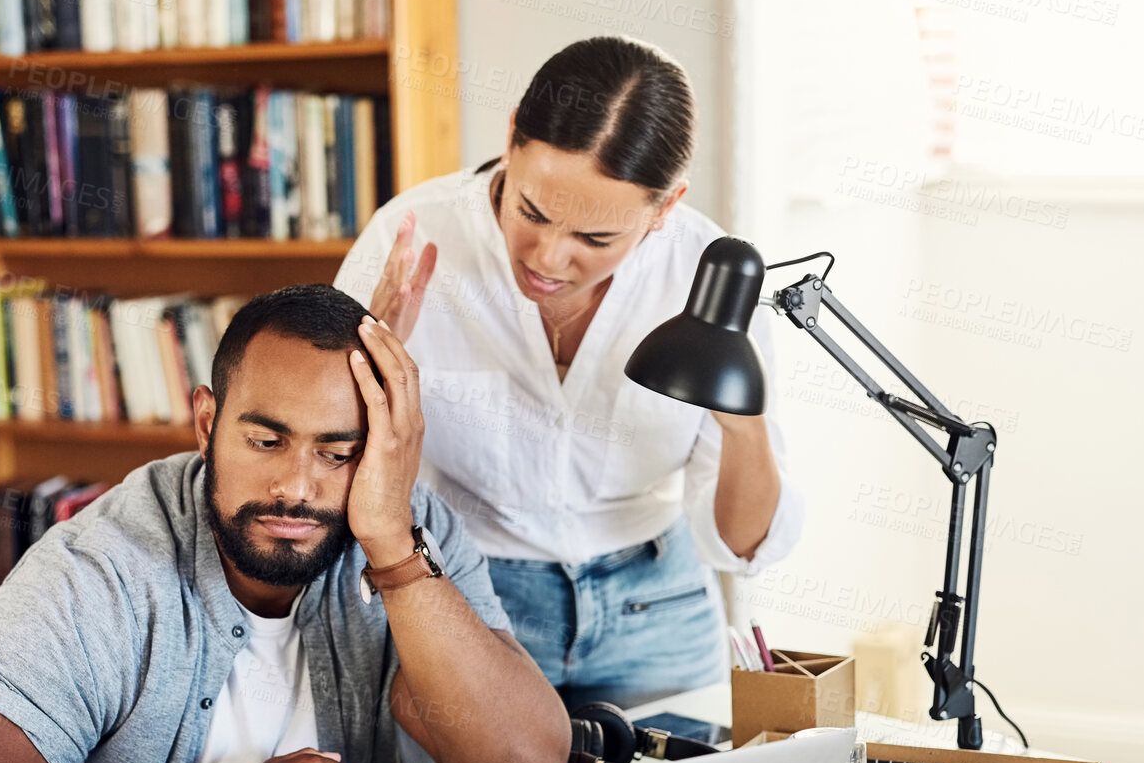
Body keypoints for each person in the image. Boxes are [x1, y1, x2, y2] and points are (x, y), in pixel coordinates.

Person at [0, 285, 570, 763]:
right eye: (266, 442)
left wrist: (395, 554)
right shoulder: (102, 572)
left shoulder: (412, 537)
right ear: (207, 423)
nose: (296, 486)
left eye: (337, 453)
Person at [336, 35, 802, 711]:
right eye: (532, 212)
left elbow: (741, 545)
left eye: (595, 239)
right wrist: (376, 372)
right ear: (511, 140)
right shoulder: (408, 239)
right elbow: (326, 464)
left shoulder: (706, 277)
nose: (549, 259)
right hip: (471, 596)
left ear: (664, 208)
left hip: (657, 604)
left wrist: (747, 430)